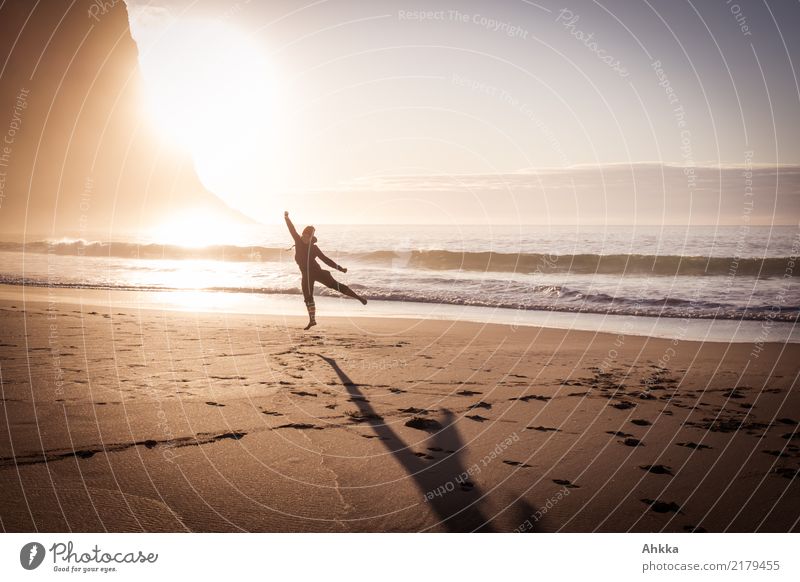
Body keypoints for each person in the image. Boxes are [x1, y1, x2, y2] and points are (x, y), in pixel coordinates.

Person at [284, 211, 367, 329]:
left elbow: (326, 260)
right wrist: (286, 218)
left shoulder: (314, 248)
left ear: (311, 237)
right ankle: (312, 320)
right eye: (304, 235)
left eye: (308, 236)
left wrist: (340, 268)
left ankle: (359, 298)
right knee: (308, 297)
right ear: (302, 234)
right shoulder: (297, 241)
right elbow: (291, 229)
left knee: (336, 286)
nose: (305, 238)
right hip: (306, 275)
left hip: (318, 272)